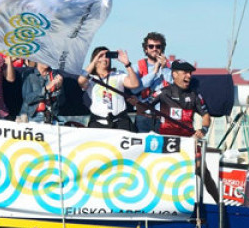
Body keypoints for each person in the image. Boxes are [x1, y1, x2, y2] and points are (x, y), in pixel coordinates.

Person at [146, 59, 219, 201]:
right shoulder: (163, 92)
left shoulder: (194, 95)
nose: (189, 76)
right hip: (167, 140)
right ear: (174, 74)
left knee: (201, 169)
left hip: (188, 141)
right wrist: (148, 112)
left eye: (190, 73)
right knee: (164, 173)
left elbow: (206, 116)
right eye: (185, 72)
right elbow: (144, 106)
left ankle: (219, 204)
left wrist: (203, 130)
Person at [78, 46, 139, 131]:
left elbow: (134, 84)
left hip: (120, 122)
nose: (104, 59)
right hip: (98, 123)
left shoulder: (118, 74)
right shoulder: (90, 78)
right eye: (101, 56)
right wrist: (94, 61)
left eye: (107, 56)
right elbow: (81, 81)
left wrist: (127, 64)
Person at [132, 32, 171, 133]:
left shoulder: (170, 67)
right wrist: (154, 72)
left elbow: (175, 87)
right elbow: (135, 88)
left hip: (164, 117)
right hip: (144, 116)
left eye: (158, 46)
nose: (154, 49)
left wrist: (164, 68)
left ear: (162, 49)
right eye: (151, 46)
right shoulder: (137, 67)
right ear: (146, 49)